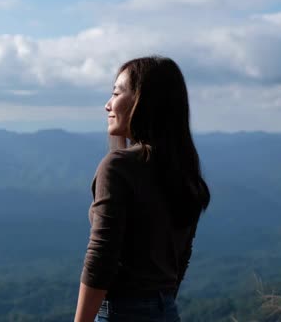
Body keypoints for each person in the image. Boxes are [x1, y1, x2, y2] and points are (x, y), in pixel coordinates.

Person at [74, 56, 211, 322]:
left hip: (121, 312)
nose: (108, 105)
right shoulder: (182, 168)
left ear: (143, 101)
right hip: (166, 310)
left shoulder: (118, 166)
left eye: (116, 93)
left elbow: (102, 257)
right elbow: (181, 258)